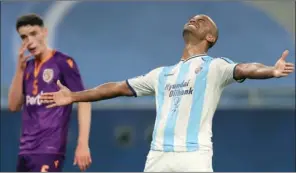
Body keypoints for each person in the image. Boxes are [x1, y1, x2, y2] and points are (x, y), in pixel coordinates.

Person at [40, 14, 294, 172]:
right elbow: (116, 87)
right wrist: (73, 96)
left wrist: (271, 70)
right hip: (158, 156)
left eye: (203, 20)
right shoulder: (161, 74)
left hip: (194, 156)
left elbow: (246, 68)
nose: (195, 19)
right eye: (193, 17)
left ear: (210, 37)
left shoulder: (215, 67)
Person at [8, 13, 92, 172]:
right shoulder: (27, 67)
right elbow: (13, 106)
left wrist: (82, 144)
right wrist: (19, 70)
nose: (29, 41)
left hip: (49, 149)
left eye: (33, 34)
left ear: (44, 32)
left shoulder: (63, 62)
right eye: (24, 37)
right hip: (25, 150)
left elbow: (84, 100)